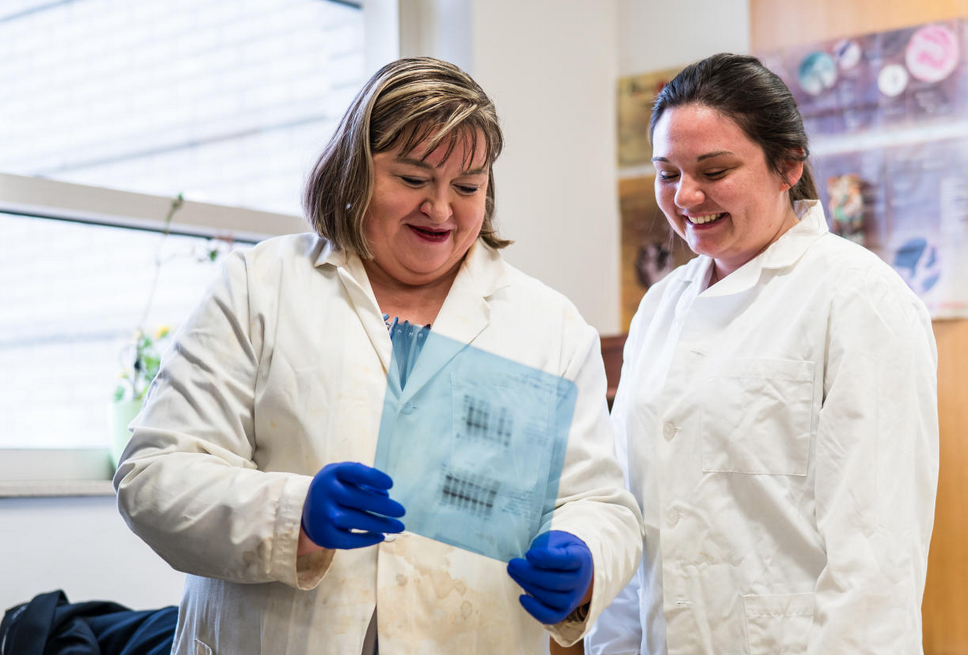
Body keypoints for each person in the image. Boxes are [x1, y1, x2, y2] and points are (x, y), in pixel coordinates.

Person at [114, 57, 642, 655]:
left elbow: (599, 502)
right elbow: (154, 474)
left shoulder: (549, 326)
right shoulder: (260, 285)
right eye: (414, 180)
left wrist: (583, 555)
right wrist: (294, 514)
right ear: (355, 172)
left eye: (467, 187)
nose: (441, 209)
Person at [586, 53, 939, 654]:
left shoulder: (858, 300)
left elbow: (876, 561)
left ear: (787, 165)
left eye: (714, 170)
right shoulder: (660, 308)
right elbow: (634, 511)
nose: (687, 195)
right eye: (667, 173)